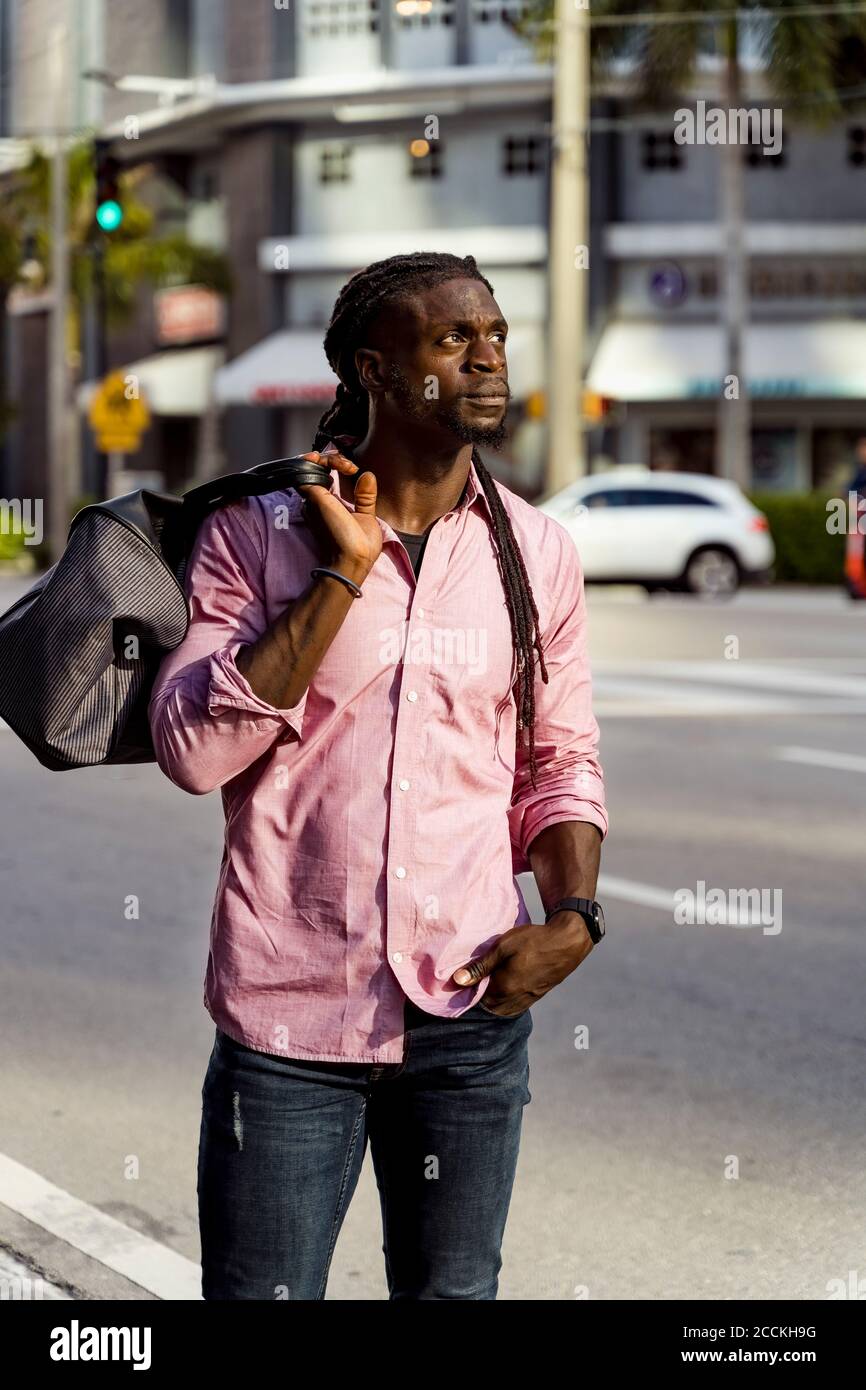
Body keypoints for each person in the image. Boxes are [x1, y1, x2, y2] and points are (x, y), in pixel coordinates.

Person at [148, 251, 608, 1301]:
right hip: (288, 1024)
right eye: (453, 341)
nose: (488, 359)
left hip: (468, 1010)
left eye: (493, 336)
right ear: (374, 368)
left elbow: (558, 759)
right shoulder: (249, 532)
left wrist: (573, 914)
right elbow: (193, 751)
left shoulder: (534, 552)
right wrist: (341, 571)